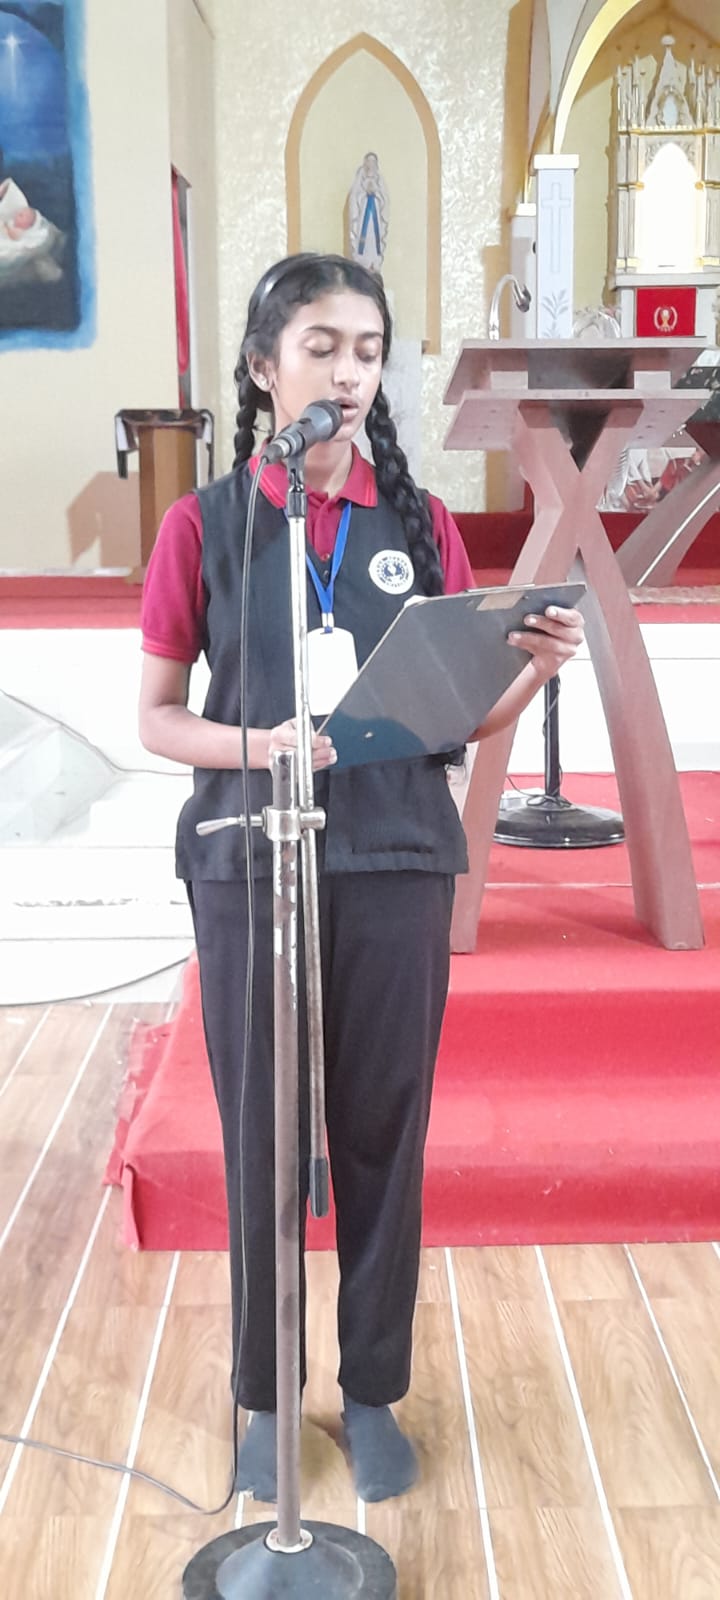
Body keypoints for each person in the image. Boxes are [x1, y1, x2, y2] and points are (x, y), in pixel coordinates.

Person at [138, 251, 585, 1506]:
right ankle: (267, 1394)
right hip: (249, 859)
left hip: (394, 858)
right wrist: (260, 746)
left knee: (387, 1131)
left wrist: (531, 668)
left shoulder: (419, 523)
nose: (348, 372)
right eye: (322, 346)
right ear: (263, 366)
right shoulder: (206, 524)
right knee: (263, 1142)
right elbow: (157, 718)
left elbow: (456, 721)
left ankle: (374, 1387)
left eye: (370, 351)